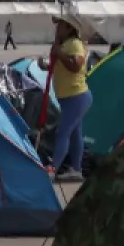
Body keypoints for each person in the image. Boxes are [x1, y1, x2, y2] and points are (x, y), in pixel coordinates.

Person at [47, 15, 92, 182]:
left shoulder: (74, 44)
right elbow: (59, 66)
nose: (57, 28)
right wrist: (46, 64)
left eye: (60, 26)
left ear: (69, 28)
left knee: (63, 133)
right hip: (68, 97)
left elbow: (76, 65)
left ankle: (53, 169)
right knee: (74, 134)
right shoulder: (64, 44)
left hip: (76, 96)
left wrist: (59, 53)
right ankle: (76, 169)